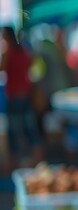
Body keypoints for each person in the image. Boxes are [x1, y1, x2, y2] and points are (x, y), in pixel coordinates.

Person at [0, 27, 43, 170]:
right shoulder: (24, 51)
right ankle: (37, 157)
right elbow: (32, 65)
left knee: (13, 129)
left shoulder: (9, 53)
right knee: (28, 127)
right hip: (25, 94)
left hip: (13, 96)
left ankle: (12, 162)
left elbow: (2, 68)